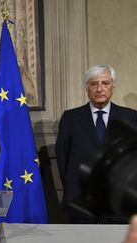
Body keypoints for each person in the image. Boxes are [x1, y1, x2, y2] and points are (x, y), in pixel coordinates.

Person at [55, 64, 137, 223]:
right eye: (94, 84)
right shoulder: (70, 118)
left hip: (118, 201)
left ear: (113, 87)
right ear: (87, 89)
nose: (99, 89)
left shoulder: (131, 118)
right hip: (79, 201)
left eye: (105, 83)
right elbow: (63, 156)